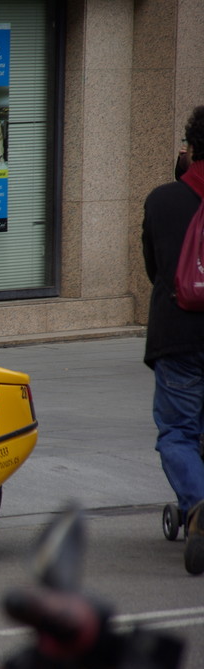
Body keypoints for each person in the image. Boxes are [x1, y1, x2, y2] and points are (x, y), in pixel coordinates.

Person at [141, 104, 204, 575]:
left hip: (180, 335)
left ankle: (199, 505)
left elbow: (155, 270)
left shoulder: (163, 201)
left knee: (179, 431)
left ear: (191, 148)